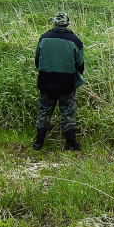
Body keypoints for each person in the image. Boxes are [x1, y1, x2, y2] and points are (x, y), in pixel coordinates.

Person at [32, 12, 85, 151]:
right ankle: (71, 144)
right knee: (67, 114)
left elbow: (37, 61)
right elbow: (80, 64)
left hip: (45, 81)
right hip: (66, 83)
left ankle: (38, 143)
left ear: (54, 23)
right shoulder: (75, 40)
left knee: (44, 111)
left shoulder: (44, 38)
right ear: (67, 23)